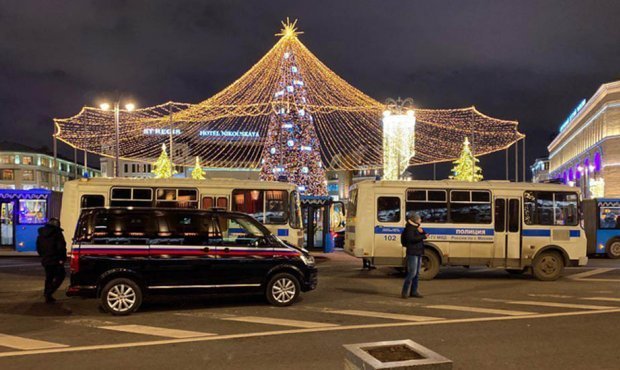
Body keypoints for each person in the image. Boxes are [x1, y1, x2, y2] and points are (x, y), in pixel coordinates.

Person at [36, 218, 67, 303]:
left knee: (49, 277)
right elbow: (61, 247)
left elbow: (38, 248)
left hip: (46, 259)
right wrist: (62, 258)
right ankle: (49, 293)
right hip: (56, 259)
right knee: (61, 276)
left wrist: (43, 256)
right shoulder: (57, 233)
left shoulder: (41, 234)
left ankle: (47, 295)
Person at [400, 213, 427, 299]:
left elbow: (423, 233)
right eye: (419, 219)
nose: (420, 220)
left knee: (417, 274)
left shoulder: (416, 227)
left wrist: (422, 232)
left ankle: (414, 291)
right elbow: (411, 239)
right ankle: (404, 292)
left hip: (418, 252)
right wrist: (422, 236)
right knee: (412, 273)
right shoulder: (409, 229)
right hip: (412, 253)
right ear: (415, 220)